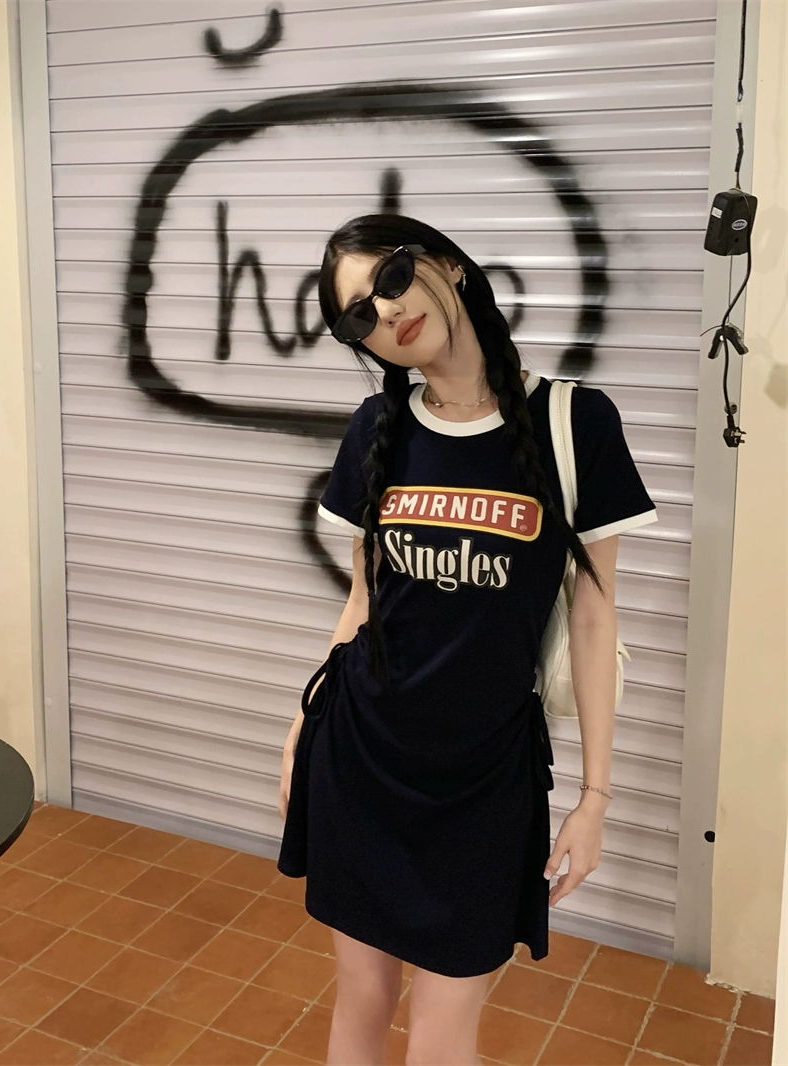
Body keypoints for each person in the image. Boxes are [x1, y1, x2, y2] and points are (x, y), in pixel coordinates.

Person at [277, 214, 658, 1066]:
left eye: (392, 278)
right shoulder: (375, 429)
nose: (386, 311)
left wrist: (596, 797)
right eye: (358, 314)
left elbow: (594, 618)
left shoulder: (575, 422)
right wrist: (303, 725)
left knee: (446, 1033)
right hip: (360, 759)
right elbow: (362, 604)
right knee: (361, 1000)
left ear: (447, 265)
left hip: (484, 782)